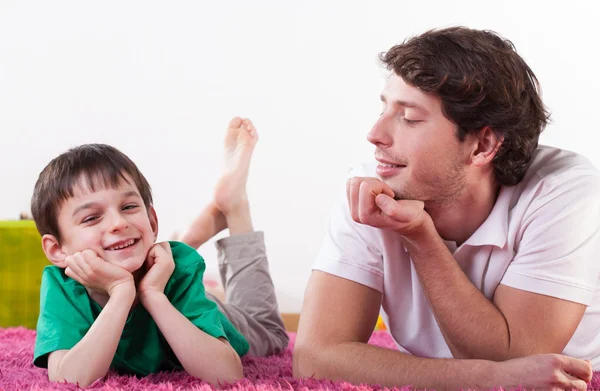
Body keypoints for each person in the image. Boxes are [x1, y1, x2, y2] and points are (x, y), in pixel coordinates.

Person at [294, 26, 600, 391]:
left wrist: (420, 237)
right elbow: (314, 358)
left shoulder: (563, 190)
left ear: (483, 145)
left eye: (409, 118)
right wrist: (487, 378)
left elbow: (517, 358)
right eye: (384, 108)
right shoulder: (376, 183)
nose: (375, 134)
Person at [31, 118, 288, 388]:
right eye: (91, 218)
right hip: (163, 272)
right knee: (169, 259)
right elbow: (68, 380)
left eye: (129, 206)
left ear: (152, 223)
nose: (118, 223)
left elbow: (227, 374)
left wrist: (153, 295)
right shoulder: (62, 285)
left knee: (271, 333)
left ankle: (236, 209)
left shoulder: (179, 270)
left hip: (191, 302)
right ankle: (191, 235)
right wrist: (121, 291)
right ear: (57, 250)